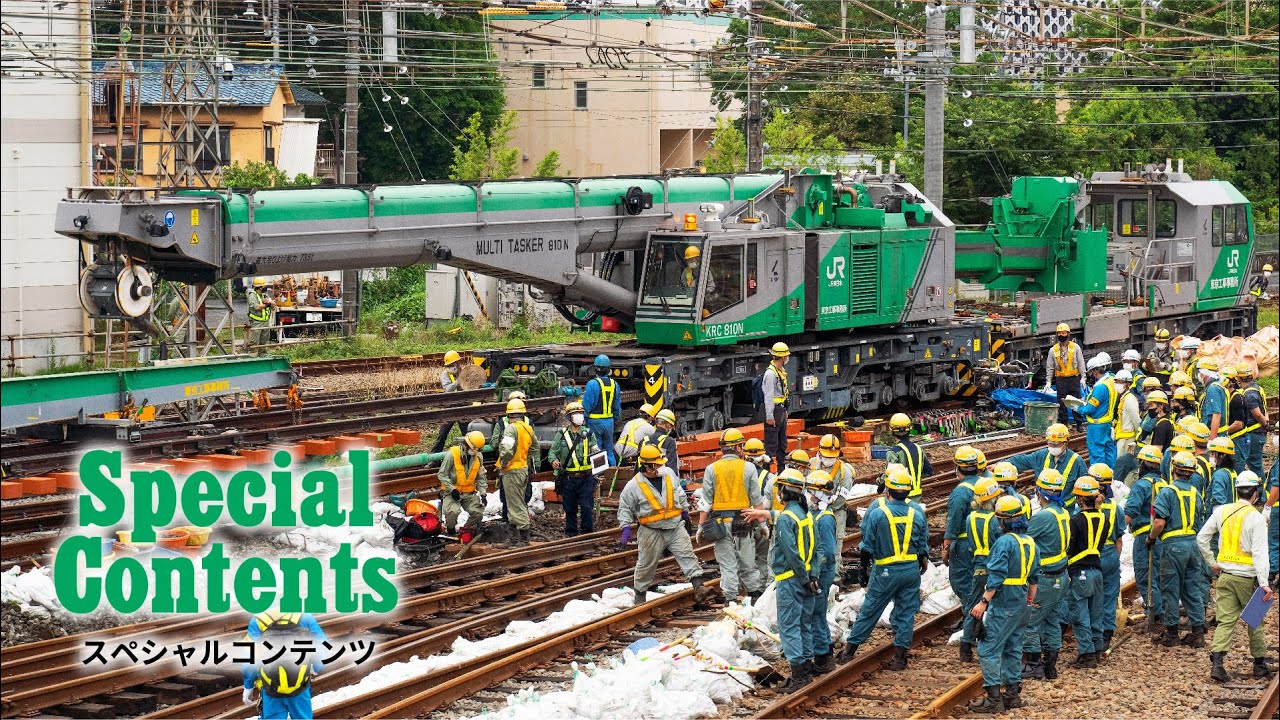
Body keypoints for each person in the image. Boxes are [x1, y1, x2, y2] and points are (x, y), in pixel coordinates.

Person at [840, 465, 929, 671]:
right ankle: (899, 658)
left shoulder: (878, 514)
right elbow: (922, 546)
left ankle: (848, 652)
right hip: (910, 570)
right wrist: (921, 564)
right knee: (905, 613)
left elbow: (867, 546)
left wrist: (862, 571)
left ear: (888, 490)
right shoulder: (916, 513)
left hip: (886, 571)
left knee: (870, 610)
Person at [1197, 470, 1275, 682]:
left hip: (1226, 576)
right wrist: (1264, 583)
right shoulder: (1256, 518)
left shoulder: (1222, 511)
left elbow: (1202, 537)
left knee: (1225, 621)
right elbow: (1260, 553)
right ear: (1255, 493)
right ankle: (1259, 665)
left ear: (1237, 490)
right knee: (1255, 620)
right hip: (1248, 579)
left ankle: (1218, 664)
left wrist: (1213, 563)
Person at [968, 495, 1040, 715]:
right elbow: (1035, 578)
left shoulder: (1004, 542)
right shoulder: (1030, 542)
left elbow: (996, 577)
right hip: (1022, 602)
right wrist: (1028, 602)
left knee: (987, 649)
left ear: (1002, 521)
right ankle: (1013, 694)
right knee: (1012, 647)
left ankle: (994, 699)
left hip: (1005, 601)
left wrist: (983, 603)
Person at [618, 444, 709, 605]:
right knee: (646, 563)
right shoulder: (634, 485)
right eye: (657, 464)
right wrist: (625, 527)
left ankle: (699, 587)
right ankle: (640, 595)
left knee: (687, 554)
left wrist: (685, 513)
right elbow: (625, 506)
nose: (660, 467)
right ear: (647, 465)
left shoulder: (668, 474)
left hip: (674, 526)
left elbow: (679, 494)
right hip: (651, 531)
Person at [767, 467, 818, 690]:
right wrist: (812, 576)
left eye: (779, 489)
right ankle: (806, 669)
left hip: (791, 579)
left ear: (785, 491)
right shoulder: (806, 515)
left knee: (789, 627)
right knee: (804, 624)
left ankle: (798, 676)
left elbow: (791, 552)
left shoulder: (787, 518)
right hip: (806, 577)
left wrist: (803, 578)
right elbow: (816, 550)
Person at [1152, 450, 1209, 648]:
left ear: (1173, 469)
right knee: (1191, 587)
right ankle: (1197, 632)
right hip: (1192, 545)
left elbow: (1159, 523)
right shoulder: (1195, 493)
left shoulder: (1167, 492)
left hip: (1173, 545)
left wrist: (1151, 538)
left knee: (1170, 588)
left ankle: (1172, 633)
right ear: (1191, 472)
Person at [699, 428, 763, 603]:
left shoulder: (711, 469)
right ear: (738, 448)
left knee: (728, 564)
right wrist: (762, 524)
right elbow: (756, 500)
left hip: (720, 524)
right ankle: (754, 595)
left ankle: (730, 599)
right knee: (748, 562)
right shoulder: (749, 468)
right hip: (744, 521)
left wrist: (700, 526)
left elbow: (706, 501)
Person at [1021, 468, 1071, 682]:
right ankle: (1050, 665)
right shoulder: (1063, 512)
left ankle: (1033, 664)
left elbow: (1024, 539)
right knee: (1051, 620)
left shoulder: (1043, 517)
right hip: (1061, 577)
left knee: (1030, 622)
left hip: (1045, 579)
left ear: (1040, 492)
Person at [240, 611, 328, 719]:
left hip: (271, 687)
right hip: (300, 684)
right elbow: (322, 645)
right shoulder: (304, 617)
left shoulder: (258, 621)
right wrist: (315, 668)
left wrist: (248, 686)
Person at [1065, 476, 1109, 668]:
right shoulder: (1104, 518)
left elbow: (1070, 547)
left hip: (1080, 573)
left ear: (1080, 499)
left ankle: (1087, 654)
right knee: (1096, 612)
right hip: (1097, 571)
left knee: (1080, 614)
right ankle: (1098, 649)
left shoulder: (1075, 521)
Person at [943, 446, 985, 648]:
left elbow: (954, 520)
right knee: (978, 582)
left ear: (957, 467)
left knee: (962, 583)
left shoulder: (960, 492)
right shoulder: (986, 484)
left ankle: (974, 624)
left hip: (965, 545)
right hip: (983, 543)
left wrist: (947, 546)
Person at [961, 475, 1005, 663]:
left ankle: (966, 646)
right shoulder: (995, 520)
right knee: (998, 605)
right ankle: (993, 642)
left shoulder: (971, 518)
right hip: (994, 568)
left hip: (978, 567)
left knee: (974, 606)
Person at [1125, 445, 1167, 628]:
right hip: (1164, 537)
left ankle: (1155, 616)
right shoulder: (1165, 485)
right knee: (1158, 576)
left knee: (1145, 576)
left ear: (1143, 463)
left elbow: (1130, 512)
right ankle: (1163, 613)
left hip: (1145, 536)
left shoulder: (1141, 485)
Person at [1007, 424, 1086, 511]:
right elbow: (1021, 460)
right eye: (1050, 443)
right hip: (1042, 505)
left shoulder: (1077, 462)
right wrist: (1000, 464)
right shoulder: (1042, 455)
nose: (1052, 447)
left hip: (1065, 509)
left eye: (1055, 444)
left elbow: (1085, 490)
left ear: (1066, 442)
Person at [550, 401, 601, 537]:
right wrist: (554, 461)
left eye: (580, 413)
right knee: (570, 508)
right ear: (569, 417)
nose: (579, 416)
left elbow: (596, 451)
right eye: (575, 414)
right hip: (569, 478)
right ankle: (571, 534)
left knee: (586, 507)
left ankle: (587, 533)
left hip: (586, 477)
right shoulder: (561, 435)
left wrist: (598, 460)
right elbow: (552, 452)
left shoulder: (589, 434)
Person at [806, 470, 839, 675]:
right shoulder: (816, 514)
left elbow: (827, 552)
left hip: (821, 573)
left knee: (817, 613)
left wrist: (815, 575)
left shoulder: (825, 519)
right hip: (819, 571)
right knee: (816, 613)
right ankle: (823, 651)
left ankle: (823, 656)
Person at [497, 398, 540, 547]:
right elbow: (535, 447)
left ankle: (522, 538)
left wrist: (504, 462)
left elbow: (507, 449)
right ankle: (514, 538)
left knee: (515, 505)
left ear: (509, 415)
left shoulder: (510, 429)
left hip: (512, 471)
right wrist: (524, 458)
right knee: (516, 502)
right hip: (522, 469)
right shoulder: (527, 428)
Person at [1091, 464, 1123, 656]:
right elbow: (1119, 539)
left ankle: (1091, 638)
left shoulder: (1083, 507)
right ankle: (1105, 636)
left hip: (1091, 554)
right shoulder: (1115, 508)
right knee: (1109, 596)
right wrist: (1115, 560)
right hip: (1110, 552)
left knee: (1090, 598)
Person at [814, 433, 854, 579]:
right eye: (826, 456)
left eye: (832, 456)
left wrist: (827, 504)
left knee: (835, 547)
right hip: (814, 511)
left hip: (836, 513)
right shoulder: (812, 465)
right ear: (819, 452)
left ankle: (834, 578)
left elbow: (842, 497)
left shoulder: (845, 472)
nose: (828, 459)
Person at [440, 431, 488, 541]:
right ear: (466, 445)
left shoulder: (478, 457)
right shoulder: (452, 454)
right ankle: (451, 531)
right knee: (452, 512)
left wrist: (483, 493)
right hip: (452, 493)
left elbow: (481, 477)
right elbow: (442, 474)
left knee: (478, 513)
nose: (473, 452)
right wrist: (452, 489)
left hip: (469, 494)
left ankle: (466, 529)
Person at [491, 390, 529, 524]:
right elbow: (535, 446)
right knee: (517, 497)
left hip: (511, 467)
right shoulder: (527, 424)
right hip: (522, 466)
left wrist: (504, 461)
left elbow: (495, 444)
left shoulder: (503, 425)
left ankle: (517, 525)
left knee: (513, 497)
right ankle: (516, 522)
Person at [745, 438, 779, 585]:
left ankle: (749, 585)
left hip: (744, 520)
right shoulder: (770, 478)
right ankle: (762, 586)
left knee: (746, 557)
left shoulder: (741, 473)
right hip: (762, 521)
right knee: (763, 556)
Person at [1076, 353, 1118, 469]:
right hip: (1107, 422)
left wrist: (1077, 407)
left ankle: (1099, 477)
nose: (1091, 375)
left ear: (1095, 371)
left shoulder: (1100, 387)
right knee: (1109, 451)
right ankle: (1111, 476)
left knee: (1097, 452)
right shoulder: (1112, 380)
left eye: (1091, 372)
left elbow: (1089, 409)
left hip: (1097, 425)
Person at [582, 354, 621, 465]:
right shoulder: (615, 384)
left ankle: (599, 476)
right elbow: (617, 405)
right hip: (609, 422)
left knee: (596, 450)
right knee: (609, 450)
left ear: (595, 369)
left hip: (595, 422)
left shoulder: (592, 384)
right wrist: (616, 418)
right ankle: (612, 472)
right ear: (609, 369)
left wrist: (583, 419)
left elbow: (587, 405)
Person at [1044, 323, 1085, 429]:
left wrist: (1083, 377)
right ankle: (1064, 423)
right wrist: (1048, 381)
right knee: (1062, 402)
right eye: (1060, 333)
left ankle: (1079, 423)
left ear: (1068, 334)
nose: (1062, 335)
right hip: (1061, 379)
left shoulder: (1075, 348)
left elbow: (1081, 363)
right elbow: (1050, 367)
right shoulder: (1053, 350)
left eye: (1064, 333)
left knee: (1076, 401)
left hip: (1073, 378)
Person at [885, 413, 933, 499]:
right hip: (917, 495)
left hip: (899, 496)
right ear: (909, 429)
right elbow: (928, 471)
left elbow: (888, 474)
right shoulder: (918, 449)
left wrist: (879, 483)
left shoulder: (894, 452)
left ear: (892, 431)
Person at [1232, 363, 1268, 475]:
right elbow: (1264, 410)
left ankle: (1261, 490)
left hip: (1254, 433)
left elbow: (1257, 414)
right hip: (1258, 433)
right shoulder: (1256, 388)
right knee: (1254, 464)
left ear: (1239, 378)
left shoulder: (1249, 393)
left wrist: (1265, 425)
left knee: (1254, 465)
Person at [761, 342, 791, 464]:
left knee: (782, 443)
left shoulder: (780, 371)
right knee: (771, 445)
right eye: (786, 356)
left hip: (781, 411)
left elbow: (783, 393)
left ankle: (780, 469)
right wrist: (769, 416)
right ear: (783, 358)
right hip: (774, 412)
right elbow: (768, 396)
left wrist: (785, 412)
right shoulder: (770, 374)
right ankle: (768, 472)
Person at [639, 409, 680, 475]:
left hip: (644, 480)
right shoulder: (669, 442)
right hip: (661, 480)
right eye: (671, 426)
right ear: (668, 425)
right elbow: (672, 469)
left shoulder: (644, 441)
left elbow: (638, 468)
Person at [1112, 369, 1141, 459]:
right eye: (1116, 382)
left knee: (1125, 467)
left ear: (1128, 384)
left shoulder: (1130, 399)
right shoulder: (1122, 398)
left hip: (1127, 439)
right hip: (1122, 438)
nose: (1118, 384)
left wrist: (1137, 439)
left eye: (1121, 382)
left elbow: (1136, 421)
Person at [1198, 357, 1228, 439]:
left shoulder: (1213, 389)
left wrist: (1212, 438)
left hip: (1217, 435)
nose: (1199, 375)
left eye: (1200, 372)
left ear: (1204, 374)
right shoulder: (1213, 387)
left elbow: (1216, 414)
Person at [1207, 437, 1239, 509]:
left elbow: (1218, 500)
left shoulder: (1219, 475)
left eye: (1213, 454)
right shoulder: (1232, 472)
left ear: (1221, 455)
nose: (1211, 457)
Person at [246, 278, 274, 350]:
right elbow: (256, 307)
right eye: (264, 286)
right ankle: (253, 356)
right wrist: (268, 304)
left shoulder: (264, 295)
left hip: (265, 321)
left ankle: (263, 355)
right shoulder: (252, 295)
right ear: (260, 287)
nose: (265, 287)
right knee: (254, 341)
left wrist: (270, 303)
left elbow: (273, 304)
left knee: (264, 340)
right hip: (256, 322)